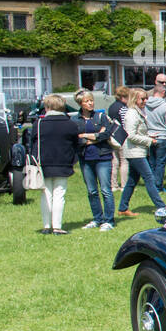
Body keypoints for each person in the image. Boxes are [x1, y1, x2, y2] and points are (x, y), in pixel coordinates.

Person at [31, 94, 81, 234]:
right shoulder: (71, 124)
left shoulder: (39, 124)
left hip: (43, 163)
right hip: (63, 162)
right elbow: (76, 144)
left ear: (47, 107)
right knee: (59, 194)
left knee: (46, 194)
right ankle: (57, 226)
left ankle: (47, 226)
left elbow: (32, 144)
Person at [118, 88, 166, 219]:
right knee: (149, 178)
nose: (145, 101)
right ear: (135, 99)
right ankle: (161, 206)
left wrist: (149, 135)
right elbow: (130, 135)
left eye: (146, 98)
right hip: (134, 152)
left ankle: (123, 208)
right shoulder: (131, 114)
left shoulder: (138, 112)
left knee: (132, 180)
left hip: (138, 151)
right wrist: (149, 140)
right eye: (142, 99)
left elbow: (138, 132)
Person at [73, 90, 115, 231]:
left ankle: (109, 220)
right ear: (80, 103)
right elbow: (76, 140)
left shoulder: (100, 116)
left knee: (105, 190)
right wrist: (95, 137)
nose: (90, 103)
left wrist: (85, 135)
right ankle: (97, 218)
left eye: (91, 100)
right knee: (92, 191)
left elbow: (106, 134)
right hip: (86, 158)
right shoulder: (75, 120)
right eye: (87, 101)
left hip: (103, 157)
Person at [144, 84, 166, 192]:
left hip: (150, 135)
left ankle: (151, 185)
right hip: (162, 136)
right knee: (160, 163)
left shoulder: (145, 105)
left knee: (151, 162)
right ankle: (158, 186)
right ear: (163, 93)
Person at [107, 85, 130, 191]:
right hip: (122, 136)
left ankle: (113, 185)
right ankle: (124, 185)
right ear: (122, 97)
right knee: (124, 161)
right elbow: (126, 122)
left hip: (112, 136)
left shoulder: (111, 107)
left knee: (114, 161)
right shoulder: (123, 108)